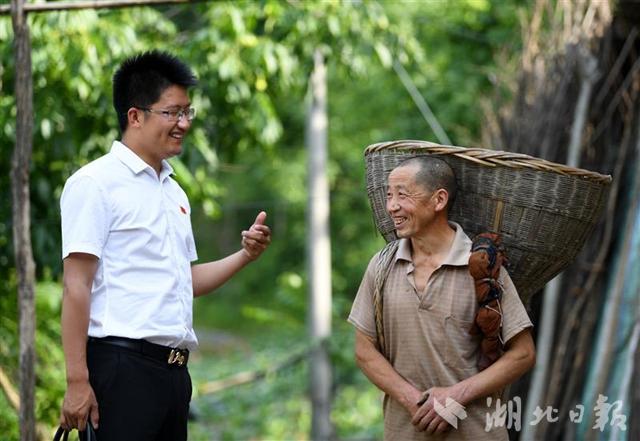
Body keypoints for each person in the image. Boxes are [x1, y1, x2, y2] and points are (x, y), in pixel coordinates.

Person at [59, 51, 271, 441]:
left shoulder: (174, 192)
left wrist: (245, 255)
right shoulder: (95, 184)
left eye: (188, 113)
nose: (184, 124)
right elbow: (76, 286)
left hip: (174, 375)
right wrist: (77, 381)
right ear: (135, 115)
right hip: (122, 370)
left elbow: (184, 280)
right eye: (172, 113)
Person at [348, 156, 535, 440]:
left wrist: (456, 395)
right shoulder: (382, 266)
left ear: (439, 200)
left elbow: (523, 354)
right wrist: (415, 401)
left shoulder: (482, 267)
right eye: (388, 195)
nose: (391, 206)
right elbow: (364, 351)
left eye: (402, 195)